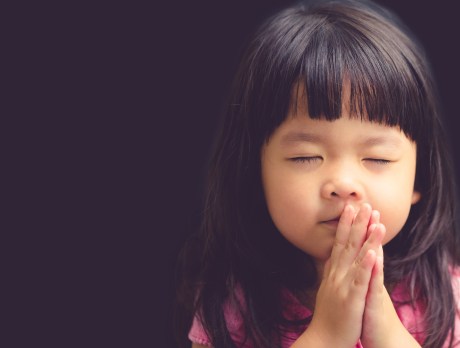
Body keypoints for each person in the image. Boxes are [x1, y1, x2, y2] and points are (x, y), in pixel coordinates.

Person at [173, 0, 460, 347]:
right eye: (305, 157)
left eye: (378, 158)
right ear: (254, 173)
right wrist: (327, 336)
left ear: (422, 178)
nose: (343, 184)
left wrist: (385, 332)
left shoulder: (445, 294)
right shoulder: (232, 303)